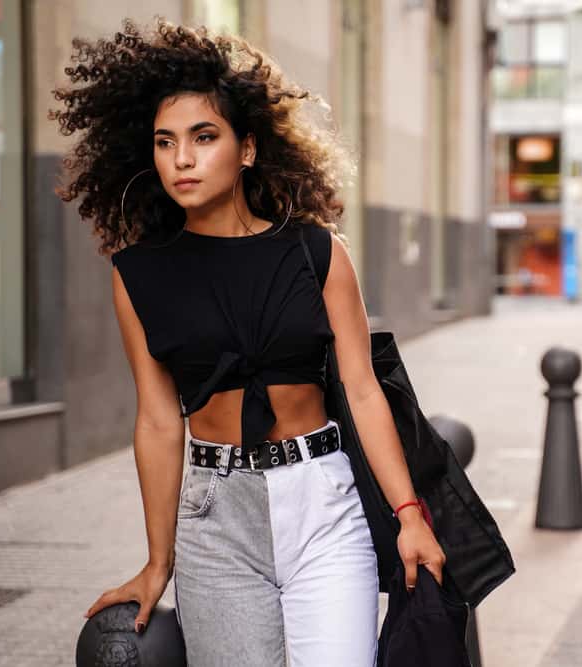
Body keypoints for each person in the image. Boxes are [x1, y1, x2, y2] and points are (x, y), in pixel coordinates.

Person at [50, 19, 445, 666]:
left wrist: (409, 512)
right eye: (165, 142)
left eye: (204, 137)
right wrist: (158, 560)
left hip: (322, 500)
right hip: (215, 513)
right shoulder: (137, 275)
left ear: (248, 149)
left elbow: (362, 388)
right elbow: (155, 418)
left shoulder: (318, 255)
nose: (182, 158)